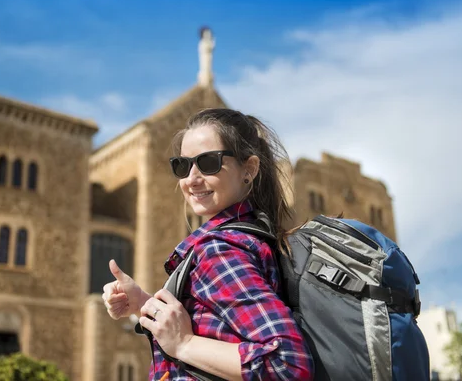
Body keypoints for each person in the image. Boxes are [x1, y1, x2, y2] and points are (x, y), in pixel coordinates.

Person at [102, 108, 313, 380]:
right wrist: (143, 303)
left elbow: (289, 364)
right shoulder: (248, 237)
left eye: (208, 162)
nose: (191, 179)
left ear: (248, 169)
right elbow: (220, 329)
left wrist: (184, 344)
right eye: (183, 165)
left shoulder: (220, 250)